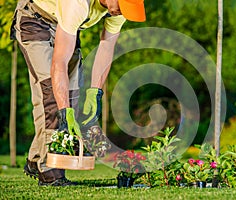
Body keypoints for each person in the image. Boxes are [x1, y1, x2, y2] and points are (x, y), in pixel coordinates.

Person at [10, 0, 146, 186]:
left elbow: (106, 48)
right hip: (35, 21)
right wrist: (65, 112)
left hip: (65, 26)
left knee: (71, 97)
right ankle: (51, 172)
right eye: (123, 7)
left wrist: (95, 93)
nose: (123, 12)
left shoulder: (118, 9)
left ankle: (36, 159)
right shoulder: (76, 3)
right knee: (54, 96)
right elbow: (59, 64)